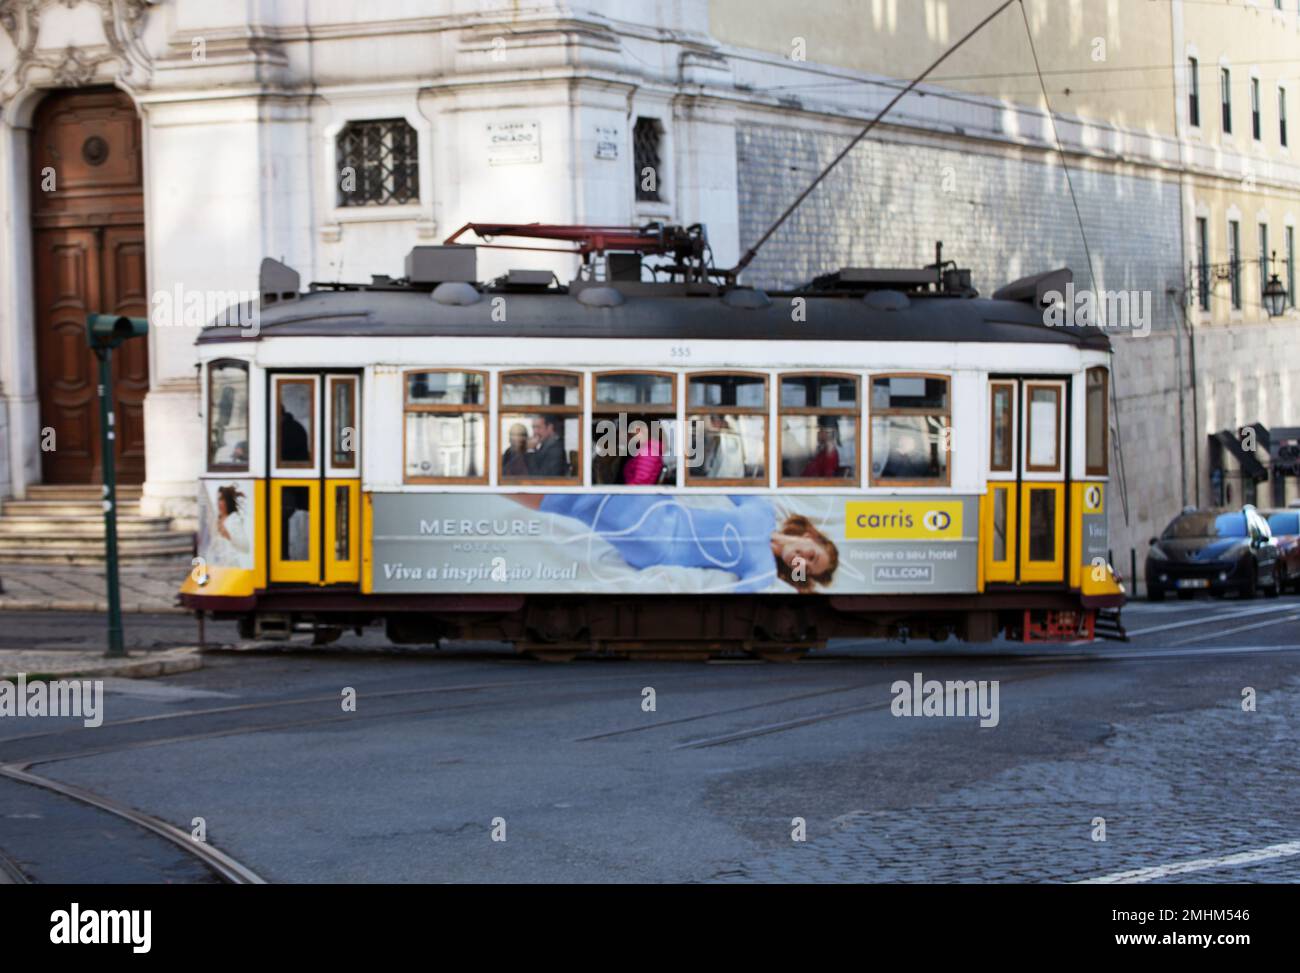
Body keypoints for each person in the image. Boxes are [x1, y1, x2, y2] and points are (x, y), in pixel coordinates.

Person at [512, 493, 838, 593]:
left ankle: (503, 484)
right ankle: (509, 479)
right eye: (814, 555)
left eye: (810, 568)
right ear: (812, 537)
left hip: (658, 544)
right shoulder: (764, 510)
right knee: (601, 482)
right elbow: (727, 481)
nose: (805, 561)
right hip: (664, 508)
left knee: (584, 500)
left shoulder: (762, 568)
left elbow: (740, 596)